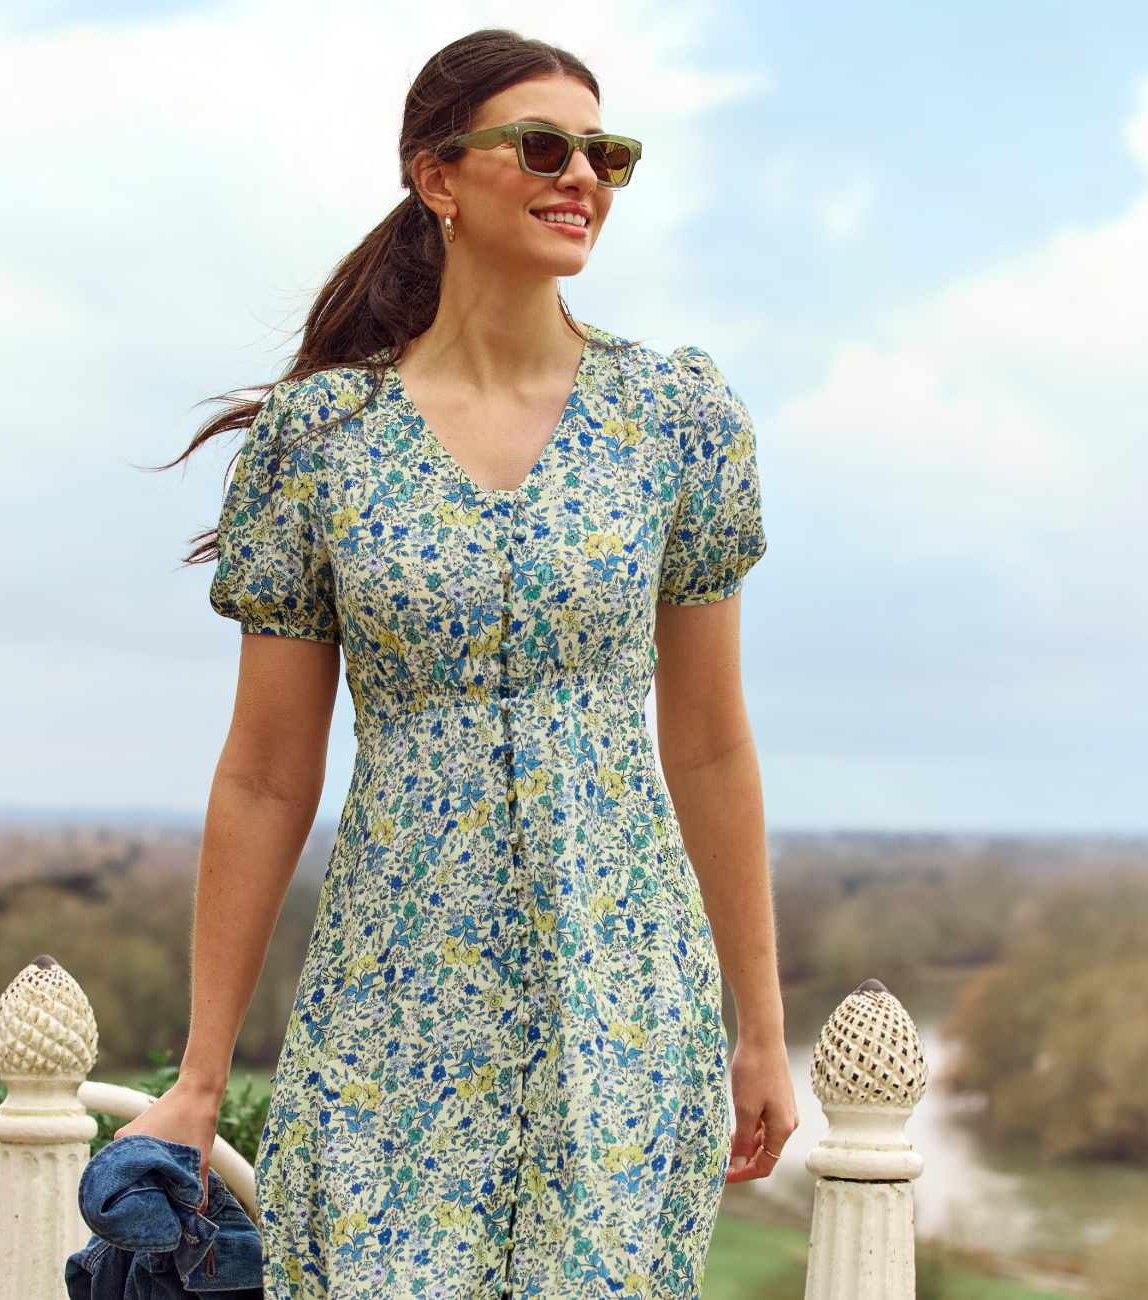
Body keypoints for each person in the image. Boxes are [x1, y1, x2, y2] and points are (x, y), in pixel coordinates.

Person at [120, 27, 797, 1300]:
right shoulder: (323, 439)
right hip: (395, 1003)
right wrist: (201, 1077)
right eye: (542, 146)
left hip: (621, 1002)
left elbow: (710, 743)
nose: (580, 175)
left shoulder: (675, 419)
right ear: (437, 176)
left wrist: (760, 1031)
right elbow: (265, 773)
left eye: (605, 154)